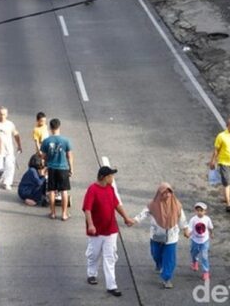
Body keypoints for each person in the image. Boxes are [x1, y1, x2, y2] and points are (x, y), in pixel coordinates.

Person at [83, 166, 135, 297]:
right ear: (103, 177)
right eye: (111, 176)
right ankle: (92, 273)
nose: (113, 178)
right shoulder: (92, 190)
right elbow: (87, 209)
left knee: (110, 257)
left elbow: (117, 205)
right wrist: (90, 225)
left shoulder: (110, 189)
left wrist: (126, 218)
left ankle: (112, 286)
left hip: (111, 230)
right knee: (94, 254)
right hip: (96, 231)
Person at [133, 183, 189, 289]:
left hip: (171, 237)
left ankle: (166, 278)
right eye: (164, 193)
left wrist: (185, 229)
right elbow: (143, 213)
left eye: (169, 192)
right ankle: (159, 264)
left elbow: (182, 218)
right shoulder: (153, 204)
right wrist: (134, 220)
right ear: (159, 194)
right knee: (156, 254)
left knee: (169, 259)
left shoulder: (176, 204)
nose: (167, 195)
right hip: (156, 235)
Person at [40, 118, 74, 220]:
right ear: (59, 127)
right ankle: (64, 214)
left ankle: (53, 213)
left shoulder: (46, 141)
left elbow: (43, 156)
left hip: (51, 168)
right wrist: (71, 168)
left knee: (52, 191)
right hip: (63, 168)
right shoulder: (66, 140)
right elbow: (70, 155)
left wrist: (46, 161)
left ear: (50, 128)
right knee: (64, 191)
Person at [0, 107, 23, 190]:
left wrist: (19, 145)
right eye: (0, 114)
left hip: (9, 150)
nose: (2, 116)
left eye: (3, 114)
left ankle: (7, 183)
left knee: (10, 167)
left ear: (6, 115)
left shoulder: (10, 124)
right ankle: (0, 175)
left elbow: (16, 135)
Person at [188, 202, 214, 281]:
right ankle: (195, 262)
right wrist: (188, 233)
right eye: (198, 210)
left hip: (204, 241)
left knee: (204, 256)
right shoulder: (193, 219)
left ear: (205, 211)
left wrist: (211, 233)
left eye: (201, 210)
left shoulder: (207, 219)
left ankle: (206, 272)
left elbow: (210, 227)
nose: (199, 212)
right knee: (193, 253)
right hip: (195, 240)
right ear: (195, 211)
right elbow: (190, 229)